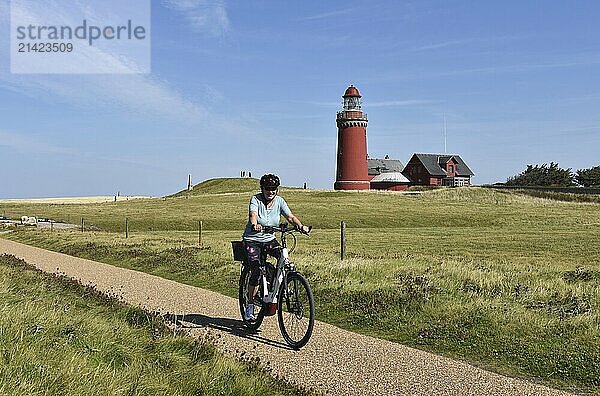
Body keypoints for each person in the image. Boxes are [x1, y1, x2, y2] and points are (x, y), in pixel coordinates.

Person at [242, 173, 310, 321]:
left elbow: (290, 217)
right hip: (252, 239)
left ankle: (274, 288)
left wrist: (300, 226)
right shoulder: (255, 199)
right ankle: (250, 305)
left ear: (277, 190)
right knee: (256, 270)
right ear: (262, 188)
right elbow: (252, 215)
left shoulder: (279, 201)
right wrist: (255, 225)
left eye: (274, 189)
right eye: (267, 188)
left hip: (269, 239)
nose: (271, 191)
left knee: (283, 257)